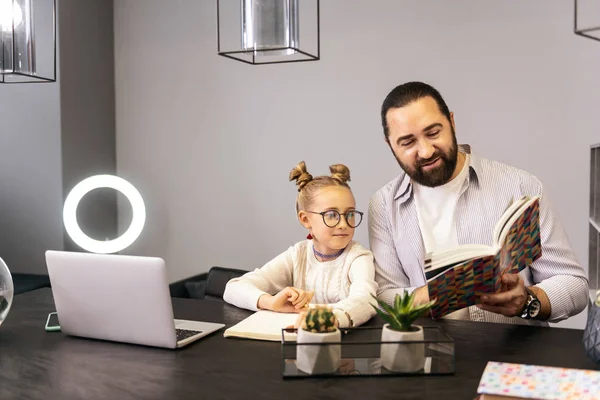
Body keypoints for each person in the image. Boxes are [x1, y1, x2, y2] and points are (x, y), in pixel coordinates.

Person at [369, 81, 589, 325]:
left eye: (433, 133)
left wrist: (527, 300)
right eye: (408, 142)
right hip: (431, 357)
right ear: (390, 144)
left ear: (451, 122)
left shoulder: (521, 185)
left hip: (514, 355)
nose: (426, 151)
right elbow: (384, 296)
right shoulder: (383, 205)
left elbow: (574, 284)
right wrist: (435, 295)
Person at [223, 161, 378, 328]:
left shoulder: (358, 258)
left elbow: (366, 300)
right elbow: (233, 288)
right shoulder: (298, 254)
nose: (343, 224)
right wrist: (271, 301)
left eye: (349, 214)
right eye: (332, 215)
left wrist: (328, 319)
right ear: (305, 219)